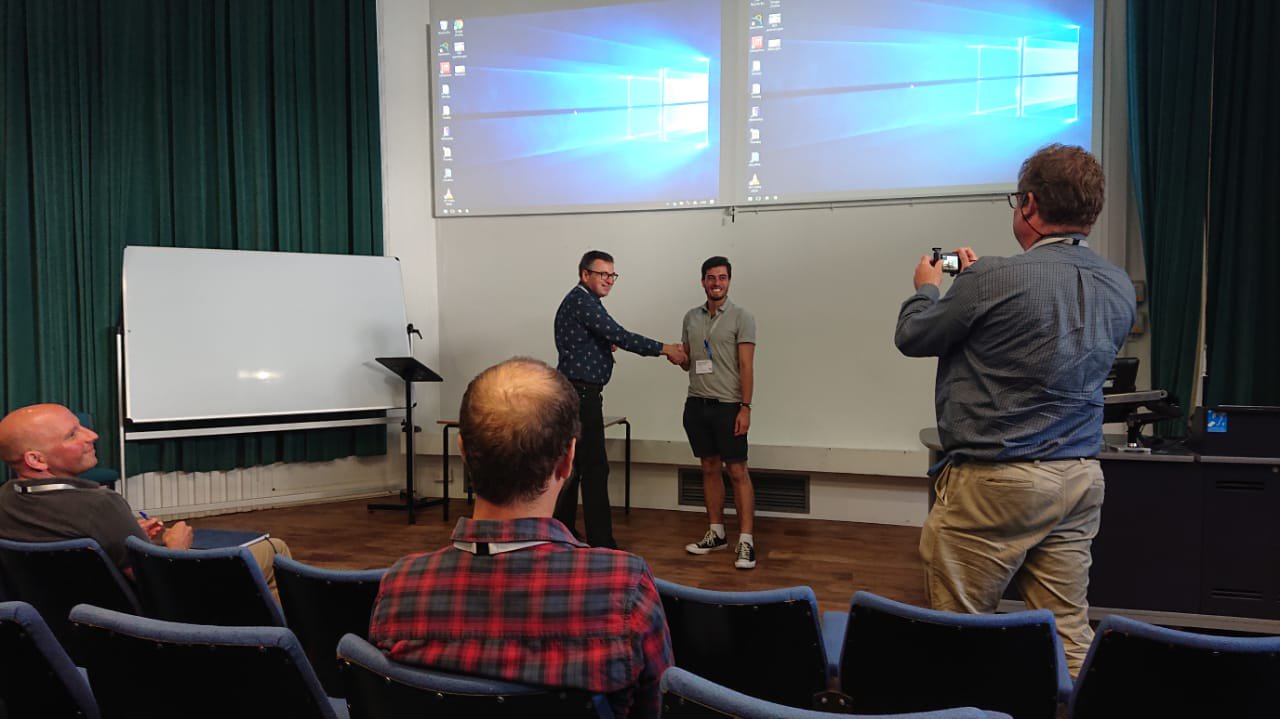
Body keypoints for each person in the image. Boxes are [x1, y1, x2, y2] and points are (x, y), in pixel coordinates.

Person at [894, 144, 1136, 676]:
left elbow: (913, 336)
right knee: (1069, 630)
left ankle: (968, 709)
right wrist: (974, 286)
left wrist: (928, 290)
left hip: (997, 484)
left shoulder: (991, 278)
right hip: (1079, 478)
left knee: (957, 632)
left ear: (1028, 204)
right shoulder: (1118, 284)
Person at [369, 358, 672, 718]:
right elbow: (657, 708)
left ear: (462, 450)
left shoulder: (400, 587)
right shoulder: (625, 586)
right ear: (568, 459)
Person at [0, 403, 292, 598]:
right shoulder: (100, 505)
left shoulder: (6, 500)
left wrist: (128, 534)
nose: (93, 435)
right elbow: (163, 585)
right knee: (274, 549)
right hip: (145, 618)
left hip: (66, 620)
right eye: (73, 434)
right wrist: (176, 547)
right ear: (36, 459)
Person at [553, 250, 687, 548]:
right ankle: (602, 543)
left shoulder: (585, 302)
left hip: (575, 393)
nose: (609, 280)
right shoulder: (582, 301)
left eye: (612, 275)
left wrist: (604, 343)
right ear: (585, 274)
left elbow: (603, 336)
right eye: (603, 274)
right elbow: (620, 335)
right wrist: (666, 349)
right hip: (580, 395)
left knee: (574, 467)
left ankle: (563, 534)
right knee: (594, 468)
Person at [678, 256, 759, 570]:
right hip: (697, 403)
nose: (716, 283)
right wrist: (678, 356)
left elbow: (746, 366)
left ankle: (746, 540)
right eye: (711, 277)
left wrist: (745, 407)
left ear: (729, 281)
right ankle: (716, 533)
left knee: (737, 471)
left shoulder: (742, 317)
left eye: (722, 278)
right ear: (703, 281)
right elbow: (688, 361)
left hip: (729, 406)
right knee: (709, 468)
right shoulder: (691, 317)